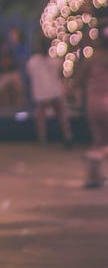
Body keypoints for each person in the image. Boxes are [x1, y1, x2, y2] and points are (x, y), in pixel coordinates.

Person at [76, 16, 108, 188]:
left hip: (93, 103)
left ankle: (94, 178)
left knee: (98, 141)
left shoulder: (92, 59)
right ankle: (96, 159)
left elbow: (78, 80)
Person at [25, 32, 73, 146]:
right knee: (62, 115)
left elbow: (28, 75)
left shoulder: (32, 62)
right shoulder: (55, 61)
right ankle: (67, 135)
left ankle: (42, 139)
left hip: (40, 94)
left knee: (41, 117)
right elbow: (61, 73)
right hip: (55, 91)